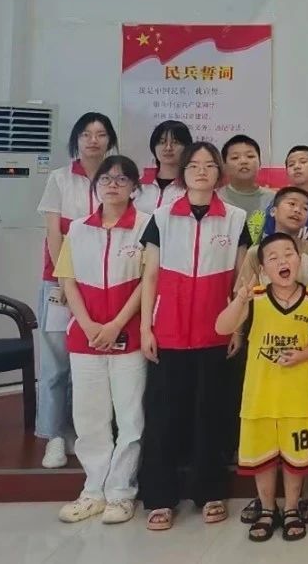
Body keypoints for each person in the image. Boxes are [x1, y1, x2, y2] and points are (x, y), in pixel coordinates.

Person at [138, 141, 251, 531]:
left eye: (209, 165)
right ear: (183, 172)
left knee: (211, 414)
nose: (201, 171)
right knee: (164, 415)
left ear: (219, 173)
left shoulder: (235, 218)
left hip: (215, 332)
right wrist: (145, 327)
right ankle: (160, 496)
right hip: (168, 331)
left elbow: (242, 281)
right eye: (194, 165)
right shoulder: (162, 217)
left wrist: (237, 328)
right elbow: (150, 276)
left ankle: (210, 491)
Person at [216, 233, 308, 543]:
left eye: (288, 254)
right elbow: (222, 327)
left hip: (297, 398)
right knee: (263, 460)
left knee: (296, 460)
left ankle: (291, 508)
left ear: (300, 261)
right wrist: (239, 299)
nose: (283, 260)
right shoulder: (253, 298)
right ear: (263, 268)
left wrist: (303, 354)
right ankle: (268, 509)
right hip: (259, 398)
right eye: (274, 257)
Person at [54, 155, 150, 525]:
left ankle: (122, 493)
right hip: (86, 338)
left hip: (129, 336)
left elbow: (148, 282)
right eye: (106, 179)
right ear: (96, 186)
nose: (113, 185)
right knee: (90, 417)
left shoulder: (146, 226)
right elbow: (68, 281)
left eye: (122, 179)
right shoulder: (78, 229)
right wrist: (89, 325)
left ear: (134, 187)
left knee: (130, 417)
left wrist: (116, 325)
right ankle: (93, 491)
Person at [234, 186, 308, 528]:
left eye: (305, 206)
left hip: (307, 349)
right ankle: (265, 502)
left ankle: (306, 496)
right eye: (291, 203)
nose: (297, 210)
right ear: (273, 210)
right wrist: (235, 334)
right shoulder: (255, 252)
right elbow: (241, 297)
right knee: (264, 424)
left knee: (304, 424)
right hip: (264, 352)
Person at [36, 111, 117, 468]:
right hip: (58, 282)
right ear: (76, 140)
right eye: (86, 134)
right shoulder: (60, 178)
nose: (93, 140)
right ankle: (54, 435)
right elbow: (54, 233)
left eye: (101, 134)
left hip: (103, 285)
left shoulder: (117, 179)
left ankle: (85, 432)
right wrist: (64, 280)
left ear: (110, 140)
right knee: (56, 363)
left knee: (92, 361)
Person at [261, 146, 308, 252]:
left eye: (303, 162)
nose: (296, 167)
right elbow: (266, 245)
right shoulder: (277, 204)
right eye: (291, 164)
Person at [218, 134, 275, 243]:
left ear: (260, 163)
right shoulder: (215, 198)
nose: (243, 161)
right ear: (224, 166)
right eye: (235, 158)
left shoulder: (274, 199)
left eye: (250, 156)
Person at [134, 120, 191, 214]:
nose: (168, 148)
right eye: (162, 142)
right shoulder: (137, 184)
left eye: (175, 142)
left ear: (187, 147)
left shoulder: (191, 185)